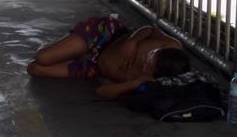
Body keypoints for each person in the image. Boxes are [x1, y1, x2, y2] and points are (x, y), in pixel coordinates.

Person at [28, 13, 191, 99]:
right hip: (104, 36)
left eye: (148, 64)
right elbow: (150, 29)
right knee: (42, 57)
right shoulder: (172, 44)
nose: (145, 60)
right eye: (151, 54)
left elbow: (102, 92)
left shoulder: (146, 83)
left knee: (34, 68)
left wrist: (133, 84)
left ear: (154, 72)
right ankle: (61, 47)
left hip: (93, 67)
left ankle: (71, 52)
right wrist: (132, 41)